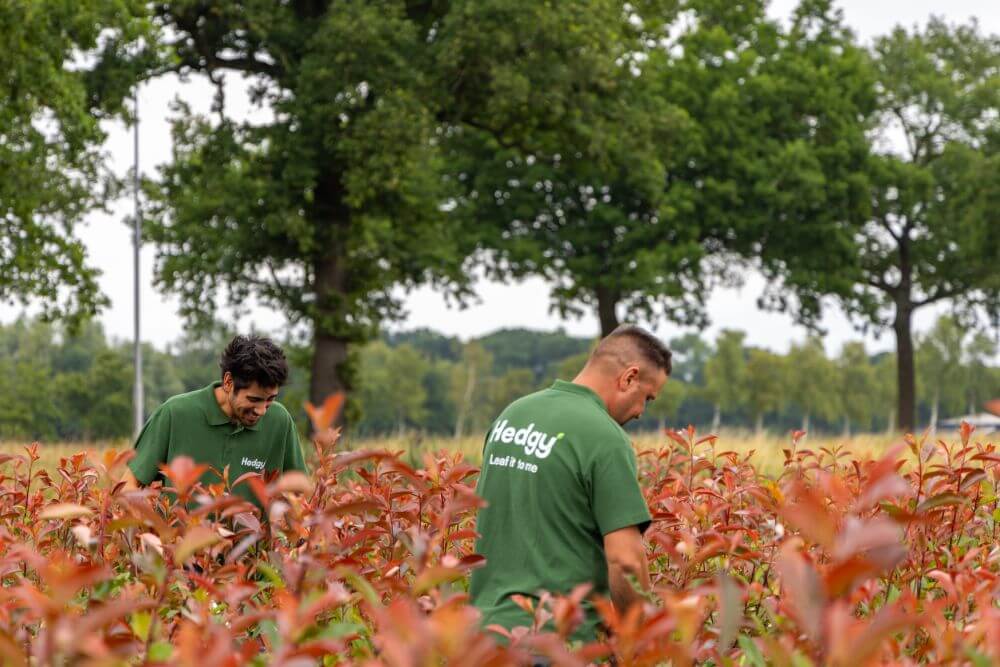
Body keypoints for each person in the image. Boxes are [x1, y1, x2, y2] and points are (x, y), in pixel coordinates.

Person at [470, 324, 671, 644]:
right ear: (629, 377)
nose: (640, 412)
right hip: (562, 641)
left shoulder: (511, 416)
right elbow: (625, 560)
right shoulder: (605, 437)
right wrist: (643, 637)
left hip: (486, 637)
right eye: (646, 398)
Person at [120, 334, 330, 506]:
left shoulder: (280, 421)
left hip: (253, 555)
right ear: (229, 382)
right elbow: (128, 486)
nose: (262, 411)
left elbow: (299, 496)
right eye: (254, 399)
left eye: (270, 400)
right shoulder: (175, 413)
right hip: (180, 552)